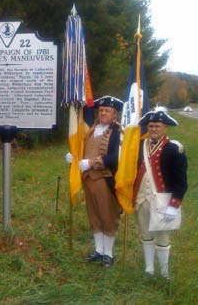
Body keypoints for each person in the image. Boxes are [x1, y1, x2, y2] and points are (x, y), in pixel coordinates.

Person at [66, 96, 123, 267]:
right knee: (94, 216)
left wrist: (91, 163)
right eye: (101, 110)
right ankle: (99, 250)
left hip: (105, 180)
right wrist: (74, 158)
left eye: (108, 111)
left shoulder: (119, 132)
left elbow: (116, 157)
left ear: (115, 114)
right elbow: (82, 148)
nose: (103, 113)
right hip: (88, 179)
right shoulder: (91, 129)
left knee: (108, 216)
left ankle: (108, 254)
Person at [133, 109, 187, 279]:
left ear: (165, 128)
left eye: (158, 126)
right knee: (145, 234)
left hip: (163, 201)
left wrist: (174, 205)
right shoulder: (140, 147)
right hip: (142, 199)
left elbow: (181, 181)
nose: (154, 129)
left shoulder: (174, 149)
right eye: (151, 126)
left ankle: (164, 272)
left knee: (162, 236)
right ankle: (149, 269)